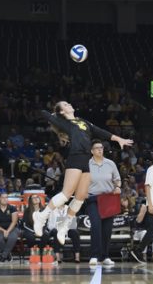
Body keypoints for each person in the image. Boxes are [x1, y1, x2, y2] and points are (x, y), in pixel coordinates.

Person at [33, 102, 132, 246]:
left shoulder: (83, 121)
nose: (69, 104)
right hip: (76, 156)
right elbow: (44, 113)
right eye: (65, 105)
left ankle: (63, 226)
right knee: (66, 194)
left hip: (87, 159)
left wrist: (119, 139)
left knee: (80, 197)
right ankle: (41, 217)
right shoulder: (63, 122)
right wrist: (54, 114)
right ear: (61, 111)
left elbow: (100, 132)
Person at [86, 140, 121, 267]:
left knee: (107, 229)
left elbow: (117, 179)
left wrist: (118, 187)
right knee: (95, 226)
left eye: (101, 148)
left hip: (108, 198)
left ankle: (105, 256)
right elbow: (80, 180)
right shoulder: (87, 164)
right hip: (93, 198)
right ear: (92, 151)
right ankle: (94, 255)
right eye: (97, 148)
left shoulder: (110, 163)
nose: (100, 150)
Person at [0, 192, 20, 262]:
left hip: (12, 228)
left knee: (12, 237)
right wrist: (4, 231)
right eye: (3, 197)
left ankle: (3, 256)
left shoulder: (12, 208)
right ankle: (8, 254)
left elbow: (14, 221)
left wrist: (8, 231)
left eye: (6, 197)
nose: (5, 199)